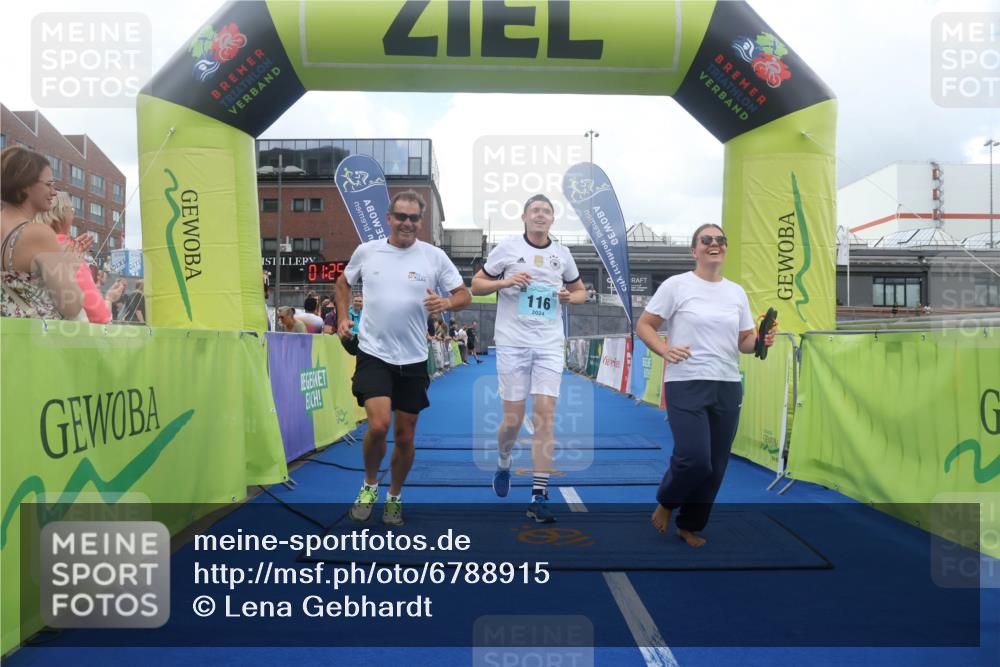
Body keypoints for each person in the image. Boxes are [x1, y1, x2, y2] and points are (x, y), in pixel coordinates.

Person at [636, 224, 776, 548]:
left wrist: (760, 340)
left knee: (716, 465)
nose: (715, 244)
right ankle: (667, 502)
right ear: (694, 250)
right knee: (694, 458)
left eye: (720, 240)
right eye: (707, 240)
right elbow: (645, 325)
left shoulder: (736, 292)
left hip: (727, 383)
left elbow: (743, 340)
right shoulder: (677, 286)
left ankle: (689, 525)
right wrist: (663, 349)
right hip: (685, 381)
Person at [336, 190, 470, 526]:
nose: (407, 223)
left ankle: (394, 495)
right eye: (401, 217)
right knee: (379, 425)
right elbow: (342, 283)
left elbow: (464, 293)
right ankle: (369, 485)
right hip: (373, 352)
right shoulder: (367, 252)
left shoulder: (434, 256)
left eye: (413, 218)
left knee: (406, 436)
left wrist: (447, 304)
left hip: (412, 357)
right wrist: (341, 317)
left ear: (420, 222)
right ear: (389, 218)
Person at [471, 194, 586, 523]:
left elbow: (581, 292)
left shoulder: (562, 254)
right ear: (524, 217)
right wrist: (505, 281)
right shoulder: (507, 249)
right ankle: (504, 461)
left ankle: (539, 494)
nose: (540, 215)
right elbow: (476, 285)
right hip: (513, 343)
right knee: (513, 420)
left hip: (549, 342)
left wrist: (569, 297)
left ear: (552, 220)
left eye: (546, 211)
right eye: (535, 210)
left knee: (545, 417)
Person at [1, 147, 82, 320]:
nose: (54, 192)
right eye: (49, 184)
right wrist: (69, 268)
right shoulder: (37, 234)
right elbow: (71, 306)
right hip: (30, 343)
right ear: (24, 186)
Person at [34, 191, 125, 323]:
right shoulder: (70, 251)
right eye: (72, 210)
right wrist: (108, 299)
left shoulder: (31, 244)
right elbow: (100, 316)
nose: (73, 215)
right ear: (61, 215)